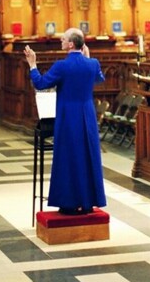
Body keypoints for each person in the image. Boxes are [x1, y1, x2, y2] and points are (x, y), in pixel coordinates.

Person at [24, 28, 106, 214]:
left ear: (70, 44)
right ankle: (87, 202)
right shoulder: (92, 64)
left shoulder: (62, 66)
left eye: (64, 38)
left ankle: (68, 202)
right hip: (87, 117)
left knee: (68, 158)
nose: (60, 40)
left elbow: (41, 84)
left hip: (68, 117)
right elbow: (100, 78)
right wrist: (88, 57)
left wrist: (32, 65)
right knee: (87, 157)